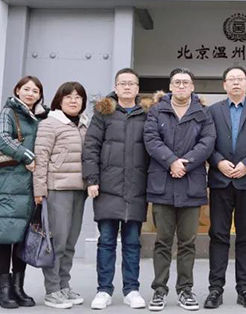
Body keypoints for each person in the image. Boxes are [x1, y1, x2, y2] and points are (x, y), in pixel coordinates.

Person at [143, 68, 216, 312]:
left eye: (186, 82)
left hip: (191, 184)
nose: (181, 86)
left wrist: (185, 163)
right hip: (162, 184)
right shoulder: (157, 110)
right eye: (177, 82)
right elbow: (151, 139)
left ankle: (185, 290)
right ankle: (159, 290)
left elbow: (207, 142)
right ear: (170, 86)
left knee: (187, 242)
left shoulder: (203, 113)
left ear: (192, 87)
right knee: (162, 241)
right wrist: (171, 161)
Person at [204, 66, 246, 310]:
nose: (236, 83)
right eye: (231, 79)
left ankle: (245, 289)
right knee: (218, 235)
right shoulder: (212, 111)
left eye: (240, 79)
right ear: (224, 84)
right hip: (220, 181)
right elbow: (206, 141)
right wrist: (218, 162)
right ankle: (215, 289)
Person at [83, 68, 150, 310]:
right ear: (116, 86)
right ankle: (104, 290)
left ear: (137, 88)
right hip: (107, 187)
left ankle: (131, 290)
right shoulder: (104, 112)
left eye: (131, 83)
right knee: (107, 241)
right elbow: (91, 147)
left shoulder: (147, 114)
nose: (127, 87)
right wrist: (92, 179)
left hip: (136, 187)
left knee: (132, 242)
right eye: (123, 83)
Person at [0, 76, 49, 309]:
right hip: (10, 182)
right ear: (17, 90)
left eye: (35, 91)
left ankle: (18, 288)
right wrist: (27, 156)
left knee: (23, 237)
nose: (30, 93)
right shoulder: (9, 112)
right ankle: (4, 291)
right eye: (26, 89)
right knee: (6, 235)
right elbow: (2, 139)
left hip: (30, 184)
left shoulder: (41, 116)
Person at [33, 82, 89, 309]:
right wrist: (39, 190)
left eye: (78, 97)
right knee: (56, 242)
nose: (74, 101)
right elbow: (40, 158)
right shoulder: (50, 123)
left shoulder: (84, 124)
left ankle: (64, 285)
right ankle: (52, 290)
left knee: (70, 242)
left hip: (79, 190)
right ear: (59, 100)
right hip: (57, 189)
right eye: (68, 97)